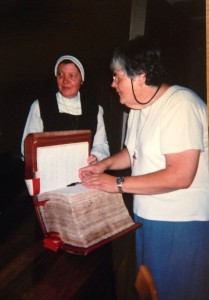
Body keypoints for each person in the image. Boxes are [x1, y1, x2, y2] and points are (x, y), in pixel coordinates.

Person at [79, 36, 209, 300]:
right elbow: (132, 154)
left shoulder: (180, 105)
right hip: (148, 217)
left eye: (117, 77)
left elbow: (180, 175)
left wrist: (116, 184)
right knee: (150, 290)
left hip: (181, 223)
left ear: (139, 76)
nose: (112, 84)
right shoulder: (138, 107)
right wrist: (103, 165)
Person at [21, 55, 110, 164]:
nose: (65, 81)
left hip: (84, 175)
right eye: (60, 75)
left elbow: (101, 145)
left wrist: (96, 156)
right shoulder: (40, 106)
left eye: (72, 76)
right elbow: (27, 148)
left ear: (82, 79)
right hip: (50, 173)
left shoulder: (95, 109)